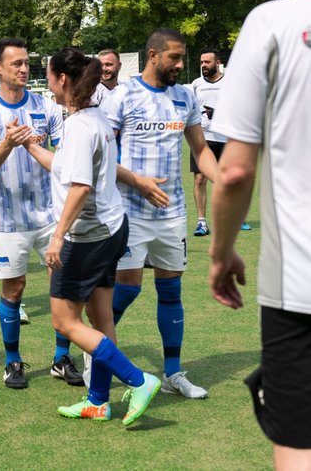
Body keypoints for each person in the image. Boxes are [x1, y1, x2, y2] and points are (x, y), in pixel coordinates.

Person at [209, 0, 311, 466]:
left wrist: (220, 253)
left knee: (298, 445)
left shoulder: (271, 22)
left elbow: (236, 170)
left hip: (298, 285)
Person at [25, 47, 160, 424]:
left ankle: (138, 380)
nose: (45, 78)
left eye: (48, 73)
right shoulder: (91, 118)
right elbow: (65, 169)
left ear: (62, 80)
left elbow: (81, 187)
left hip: (87, 238)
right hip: (110, 230)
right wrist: (30, 145)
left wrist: (57, 238)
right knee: (102, 322)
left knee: (64, 322)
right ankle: (98, 400)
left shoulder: (83, 126)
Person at [100, 28, 218, 399]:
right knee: (128, 289)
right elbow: (102, 155)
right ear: (153, 56)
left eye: (184, 58)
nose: (181, 65)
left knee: (171, 290)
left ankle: (172, 374)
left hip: (172, 214)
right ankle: (97, 356)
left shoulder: (185, 97)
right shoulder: (123, 96)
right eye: (174, 58)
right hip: (128, 212)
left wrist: (225, 180)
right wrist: (137, 181)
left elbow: (200, 150)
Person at [0, 38, 82, 389]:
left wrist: (32, 143)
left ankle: (61, 357)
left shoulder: (46, 107)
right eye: (16, 63)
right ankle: (12, 361)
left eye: (26, 62)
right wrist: (8, 142)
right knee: (14, 288)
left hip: (51, 216)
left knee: (61, 287)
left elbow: (65, 160)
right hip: (7, 219)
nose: (23, 69)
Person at [189, 49, 251, 236]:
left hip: (227, 138)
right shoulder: (196, 84)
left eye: (207, 62)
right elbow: (192, 109)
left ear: (218, 63)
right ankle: (202, 222)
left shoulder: (231, 82)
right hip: (203, 138)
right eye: (201, 62)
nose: (203, 65)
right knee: (200, 179)